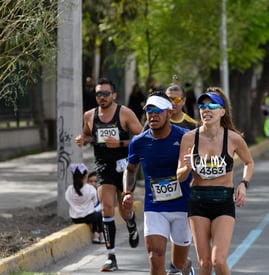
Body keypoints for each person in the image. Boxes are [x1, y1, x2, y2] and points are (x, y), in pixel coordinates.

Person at [177, 87, 254, 275]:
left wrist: (243, 184)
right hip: (198, 201)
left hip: (223, 201)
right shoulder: (189, 138)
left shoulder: (233, 139)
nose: (206, 109)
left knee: (218, 261)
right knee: (204, 264)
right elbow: (180, 176)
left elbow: (248, 162)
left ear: (222, 111)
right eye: (202, 106)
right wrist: (187, 166)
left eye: (212, 105)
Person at [75, 77, 143, 271]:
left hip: (124, 167)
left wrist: (120, 143)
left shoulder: (125, 113)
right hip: (103, 166)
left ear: (114, 95)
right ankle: (111, 256)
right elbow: (89, 134)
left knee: (124, 208)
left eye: (105, 93)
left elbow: (141, 138)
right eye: (98, 94)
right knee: (106, 207)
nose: (101, 97)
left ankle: (130, 225)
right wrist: (83, 139)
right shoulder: (89, 115)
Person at [123, 91, 194, 275]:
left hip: (183, 206)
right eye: (149, 110)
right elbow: (130, 169)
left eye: (158, 110)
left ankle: (186, 266)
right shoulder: (139, 142)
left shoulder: (186, 137)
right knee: (155, 256)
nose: (152, 115)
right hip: (154, 207)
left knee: (177, 264)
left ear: (169, 113)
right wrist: (127, 192)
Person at [65, 163, 103, 244]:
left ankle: (97, 234)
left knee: (94, 214)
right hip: (88, 217)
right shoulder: (90, 189)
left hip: (74, 218)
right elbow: (95, 202)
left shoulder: (69, 189)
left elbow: (68, 199)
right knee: (99, 214)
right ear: (85, 176)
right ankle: (99, 235)